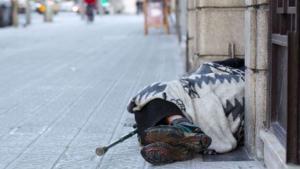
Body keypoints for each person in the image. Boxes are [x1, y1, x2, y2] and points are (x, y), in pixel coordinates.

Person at [127, 58, 245, 165]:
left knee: (158, 94)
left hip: (227, 85)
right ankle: (180, 143)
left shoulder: (249, 70)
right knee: (153, 100)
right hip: (205, 89)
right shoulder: (246, 64)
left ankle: (180, 129)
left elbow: (215, 67)